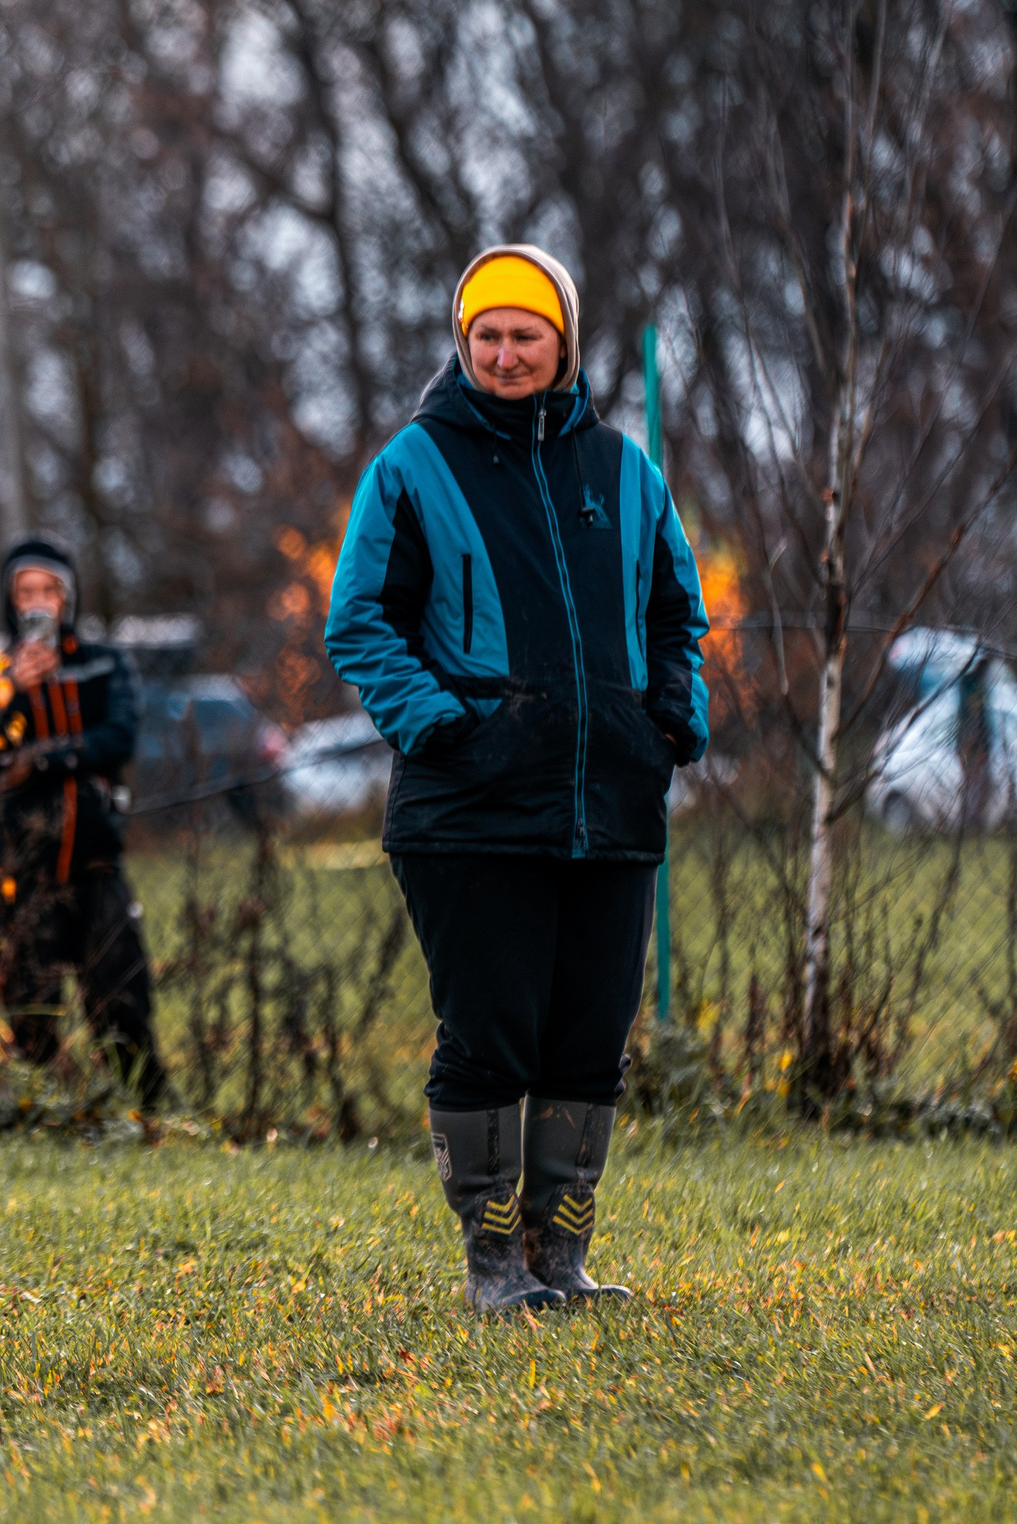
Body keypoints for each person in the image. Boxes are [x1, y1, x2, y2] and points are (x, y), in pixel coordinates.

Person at [324, 245, 708, 1312]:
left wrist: (672, 717)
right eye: (484, 335)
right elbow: (358, 621)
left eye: (523, 335)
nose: (502, 353)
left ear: (562, 344)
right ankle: (492, 1264)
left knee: (587, 1039)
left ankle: (560, 1258)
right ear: (462, 341)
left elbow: (678, 614)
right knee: (491, 1038)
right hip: (468, 811)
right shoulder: (412, 466)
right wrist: (438, 724)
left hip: (610, 808)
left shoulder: (626, 472)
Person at [0, 537, 169, 1106]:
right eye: (25, 592)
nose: (38, 603)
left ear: (68, 598)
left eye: (48, 591)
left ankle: (147, 1106)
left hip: (96, 858)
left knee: (122, 990)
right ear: (10, 602)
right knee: (28, 997)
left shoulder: (104, 660)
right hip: (21, 862)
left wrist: (42, 758)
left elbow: (119, 739)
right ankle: (48, 1107)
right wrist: (16, 694)